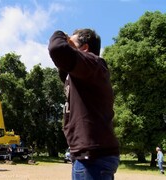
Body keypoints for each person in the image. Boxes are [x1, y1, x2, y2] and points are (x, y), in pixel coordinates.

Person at [48, 29, 120, 179]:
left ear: (85, 48)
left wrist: (60, 35)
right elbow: (63, 66)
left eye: (71, 44)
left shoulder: (93, 64)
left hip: (93, 157)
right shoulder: (82, 75)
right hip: (88, 156)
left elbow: (57, 49)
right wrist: (71, 45)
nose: (67, 45)